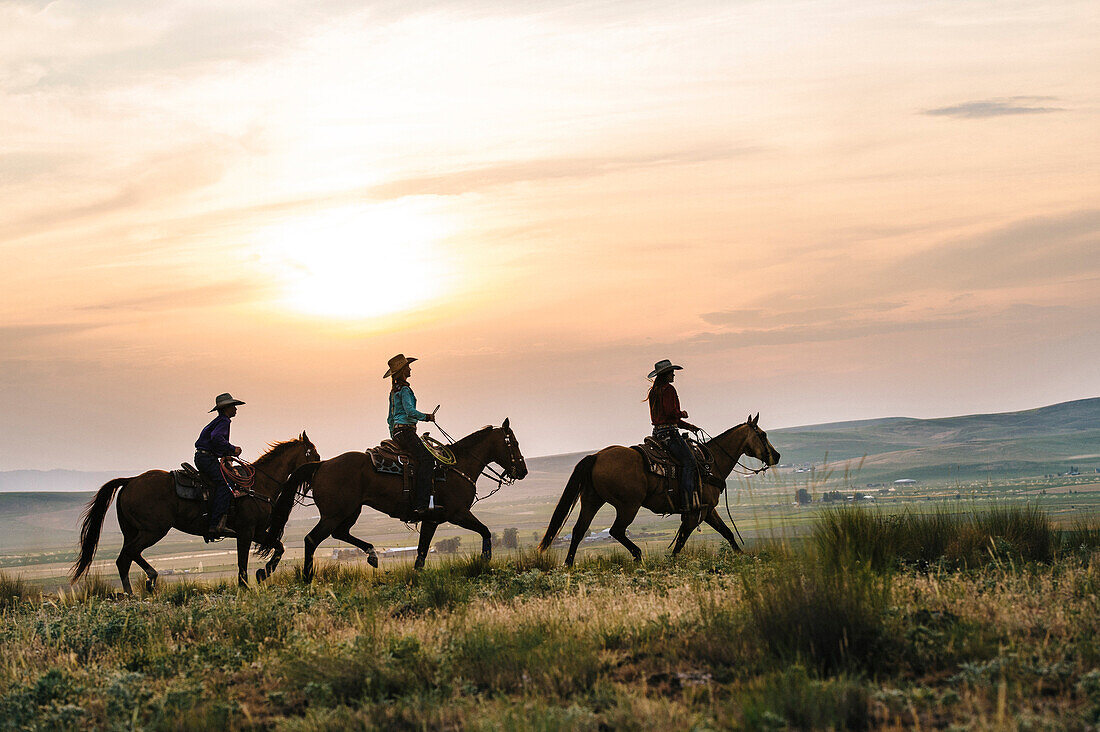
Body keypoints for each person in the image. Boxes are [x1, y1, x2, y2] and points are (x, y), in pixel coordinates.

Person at [384, 354, 437, 517]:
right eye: (408, 366)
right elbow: (409, 411)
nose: (410, 368)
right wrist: (427, 417)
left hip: (398, 432)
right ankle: (421, 504)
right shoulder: (405, 389)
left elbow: (389, 418)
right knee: (428, 459)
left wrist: (394, 434)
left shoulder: (394, 391)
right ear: (402, 371)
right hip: (407, 431)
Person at [646, 359, 701, 514]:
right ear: (665, 374)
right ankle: (686, 501)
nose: (674, 375)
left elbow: (667, 417)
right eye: (671, 372)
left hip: (657, 433)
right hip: (670, 434)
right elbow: (672, 414)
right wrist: (683, 414)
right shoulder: (668, 389)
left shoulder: (654, 391)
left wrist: (689, 427)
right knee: (690, 462)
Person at [195, 392, 244, 541]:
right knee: (226, 484)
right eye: (233, 406)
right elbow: (217, 438)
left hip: (204, 456)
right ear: (226, 408)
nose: (236, 409)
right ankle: (216, 523)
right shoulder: (224, 421)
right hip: (207, 458)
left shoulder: (218, 421)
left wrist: (226, 453)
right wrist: (232, 448)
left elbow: (214, 440)